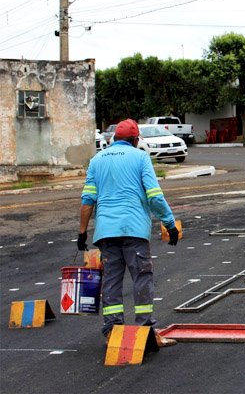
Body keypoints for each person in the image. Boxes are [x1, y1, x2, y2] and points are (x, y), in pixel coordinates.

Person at [78, 119, 180, 347]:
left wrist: (82, 232)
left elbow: (87, 201)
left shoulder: (96, 160)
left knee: (112, 281)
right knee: (141, 278)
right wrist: (170, 224)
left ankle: (112, 331)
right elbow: (154, 195)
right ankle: (147, 332)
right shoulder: (140, 157)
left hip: (105, 233)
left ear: (114, 139)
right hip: (134, 230)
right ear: (135, 140)